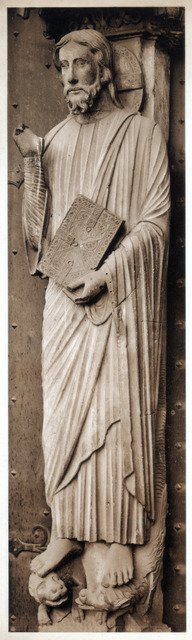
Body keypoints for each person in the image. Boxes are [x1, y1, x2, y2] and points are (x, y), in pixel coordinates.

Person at [13, 29, 170, 599]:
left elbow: (155, 222)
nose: (70, 77)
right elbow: (40, 237)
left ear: (105, 71)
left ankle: (113, 538)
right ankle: (69, 528)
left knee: (110, 411)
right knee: (63, 420)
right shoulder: (53, 140)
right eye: (62, 68)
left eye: (81, 65)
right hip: (64, 302)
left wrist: (109, 273)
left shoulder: (140, 132)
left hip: (116, 299)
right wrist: (32, 175)